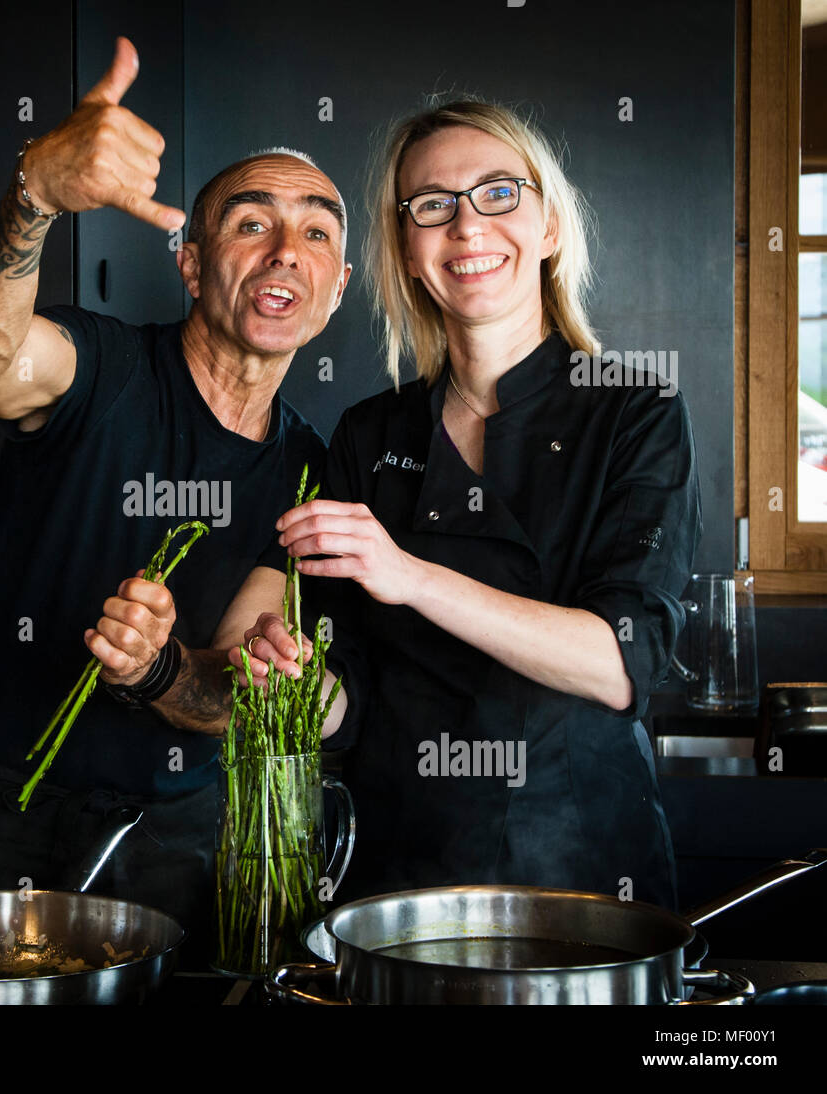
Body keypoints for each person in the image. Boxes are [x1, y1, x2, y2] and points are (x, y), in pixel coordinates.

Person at [117, 99, 699, 913]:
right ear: (409, 252)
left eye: (499, 193)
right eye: (433, 205)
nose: (467, 227)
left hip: (580, 860)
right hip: (398, 867)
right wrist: (287, 680)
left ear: (551, 227)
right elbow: (346, 694)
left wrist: (409, 574)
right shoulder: (370, 432)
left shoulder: (635, 411)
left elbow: (617, 664)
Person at [0, 37, 351, 959]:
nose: (285, 251)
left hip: (169, 833)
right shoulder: (102, 365)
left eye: (318, 233)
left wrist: (158, 669)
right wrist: (36, 195)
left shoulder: (308, 470)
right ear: (190, 261)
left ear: (333, 293)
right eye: (251, 223)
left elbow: (236, 681)